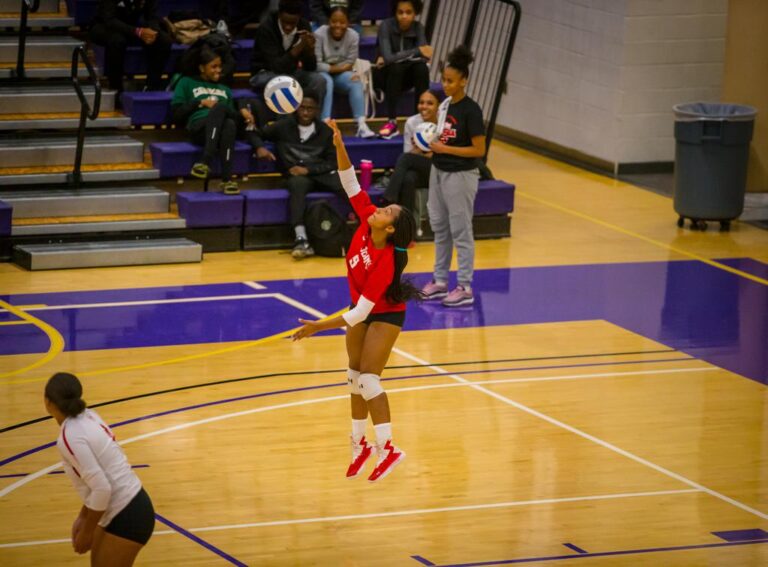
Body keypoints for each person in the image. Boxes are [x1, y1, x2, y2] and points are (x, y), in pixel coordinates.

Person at [292, 118, 420, 482]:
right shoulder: (366, 220)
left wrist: (319, 326)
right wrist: (339, 145)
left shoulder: (385, 261)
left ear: (390, 228)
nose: (378, 209)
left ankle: (389, 447)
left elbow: (361, 311)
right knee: (352, 377)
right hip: (362, 311)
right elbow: (349, 182)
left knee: (368, 380)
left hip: (384, 315)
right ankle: (359, 445)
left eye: (386, 212)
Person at [44, 372, 154, 566]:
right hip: (129, 506)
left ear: (48, 402)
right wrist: (83, 516)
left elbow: (102, 487)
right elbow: (99, 480)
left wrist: (87, 531)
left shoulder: (69, 436)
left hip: (128, 514)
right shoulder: (90, 415)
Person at [422, 45, 486, 307]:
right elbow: (441, 136)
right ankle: (439, 281)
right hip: (438, 170)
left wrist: (444, 148)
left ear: (464, 81)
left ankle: (465, 285)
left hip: (461, 175)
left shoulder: (472, 110)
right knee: (439, 226)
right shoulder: (446, 104)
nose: (444, 85)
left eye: (450, 81)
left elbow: (479, 149)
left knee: (461, 230)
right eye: (443, 80)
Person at [247, 90, 342, 259]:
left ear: (317, 110)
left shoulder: (326, 132)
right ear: (295, 108)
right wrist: (259, 147)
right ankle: (301, 238)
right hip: (297, 178)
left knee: (347, 185)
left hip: (319, 174)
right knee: (297, 184)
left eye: (310, 109)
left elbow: (333, 162)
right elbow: (255, 132)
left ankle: (367, 228)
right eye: (302, 108)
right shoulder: (282, 127)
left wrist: (308, 170)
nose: (305, 112)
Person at [172, 46, 249, 195]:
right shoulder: (186, 83)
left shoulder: (225, 89)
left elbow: (231, 115)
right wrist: (200, 103)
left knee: (229, 122)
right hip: (200, 129)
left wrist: (240, 109)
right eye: (213, 66)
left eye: (220, 66)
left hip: (222, 132)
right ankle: (220, 173)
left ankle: (215, 171)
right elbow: (177, 114)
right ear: (201, 68)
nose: (218, 70)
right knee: (223, 114)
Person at [250, 0, 326, 108]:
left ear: (298, 17)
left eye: (292, 23)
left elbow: (310, 68)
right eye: (285, 22)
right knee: (288, 82)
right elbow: (277, 67)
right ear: (279, 15)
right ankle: (286, 123)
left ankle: (313, 122)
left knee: (319, 80)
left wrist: (310, 50)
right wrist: (299, 46)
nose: (288, 27)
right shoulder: (266, 28)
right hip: (263, 73)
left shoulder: (303, 26)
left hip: (290, 72)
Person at [373, 0, 432, 139]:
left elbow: (425, 57)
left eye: (408, 12)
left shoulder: (418, 27)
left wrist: (399, 57)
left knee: (422, 69)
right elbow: (387, 58)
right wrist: (416, 51)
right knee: (396, 67)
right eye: (400, 12)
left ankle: (418, 121)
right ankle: (392, 121)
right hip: (385, 75)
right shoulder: (386, 26)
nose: (404, 16)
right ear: (395, 13)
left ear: (415, 13)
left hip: (406, 75)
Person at [313, 7, 375, 138]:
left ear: (348, 23)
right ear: (328, 21)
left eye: (342, 22)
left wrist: (331, 67)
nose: (338, 25)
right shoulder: (319, 34)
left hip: (339, 74)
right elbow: (317, 65)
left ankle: (361, 125)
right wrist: (340, 68)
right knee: (326, 81)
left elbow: (350, 62)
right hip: (323, 74)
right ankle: (326, 124)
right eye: (334, 21)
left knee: (355, 80)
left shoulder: (353, 36)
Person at [89, 0, 172, 97]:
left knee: (164, 41)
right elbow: (109, 19)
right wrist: (137, 32)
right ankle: (116, 89)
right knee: (118, 41)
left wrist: (153, 32)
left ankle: (151, 87)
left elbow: (152, 16)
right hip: (104, 27)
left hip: (131, 27)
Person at [383, 89, 441, 213]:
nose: (424, 106)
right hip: (424, 168)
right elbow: (410, 154)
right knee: (408, 178)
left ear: (439, 106)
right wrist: (418, 149)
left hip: (442, 168)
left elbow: (445, 156)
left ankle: (389, 198)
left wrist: (430, 152)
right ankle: (408, 221)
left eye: (430, 103)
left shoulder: (445, 123)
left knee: (405, 158)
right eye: (421, 102)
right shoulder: (412, 122)